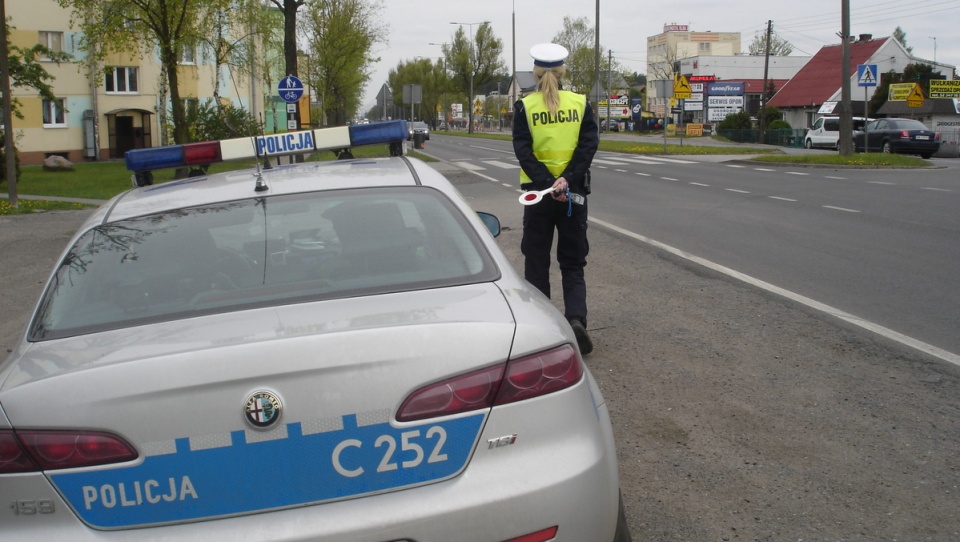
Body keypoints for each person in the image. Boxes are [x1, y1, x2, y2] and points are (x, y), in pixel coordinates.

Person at [512, 43, 599, 355]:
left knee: (537, 262)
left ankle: (543, 330)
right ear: (562, 72)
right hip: (573, 195)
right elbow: (588, 145)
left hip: (539, 196)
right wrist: (567, 180)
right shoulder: (579, 103)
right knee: (573, 263)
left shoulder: (526, 107)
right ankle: (576, 320)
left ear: (535, 73)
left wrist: (549, 183)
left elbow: (523, 151)